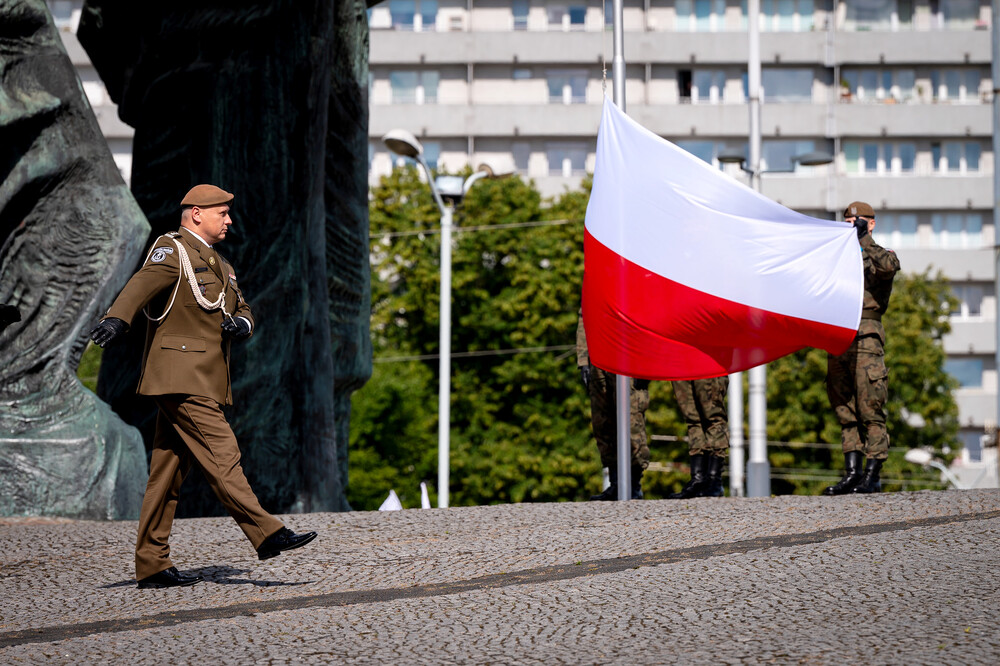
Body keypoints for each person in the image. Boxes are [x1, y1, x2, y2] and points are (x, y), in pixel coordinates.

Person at [90, 184, 317, 589]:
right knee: (223, 452)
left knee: (167, 475)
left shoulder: (221, 264)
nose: (229, 221)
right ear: (196, 213)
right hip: (180, 375)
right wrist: (117, 319)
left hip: (202, 377)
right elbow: (142, 283)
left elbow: (242, 307)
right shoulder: (172, 250)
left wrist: (242, 323)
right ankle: (266, 532)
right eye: (222, 213)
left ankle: (152, 564)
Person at [823, 201, 900, 495]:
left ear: (871, 223)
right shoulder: (836, 257)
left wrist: (863, 237)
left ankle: (872, 474)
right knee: (845, 409)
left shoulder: (880, 254)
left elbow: (888, 267)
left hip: (866, 335)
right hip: (839, 335)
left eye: (857, 221)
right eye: (847, 222)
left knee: (870, 408)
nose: (851, 226)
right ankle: (852, 473)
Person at [576, 311, 650, 500]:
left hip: (629, 354)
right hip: (599, 356)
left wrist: (645, 360)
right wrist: (583, 360)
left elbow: (648, 316)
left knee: (631, 420)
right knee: (603, 422)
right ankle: (616, 482)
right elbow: (585, 315)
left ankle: (633, 484)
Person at [668, 377, 729, 499]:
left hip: (708, 367)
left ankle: (713, 480)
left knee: (713, 417)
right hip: (681, 367)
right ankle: (698, 479)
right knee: (692, 420)